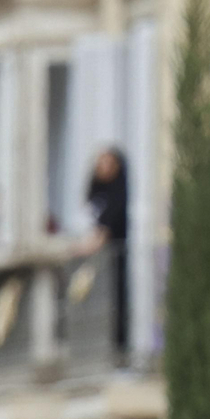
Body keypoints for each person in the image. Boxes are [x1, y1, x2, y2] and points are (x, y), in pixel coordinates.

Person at [83, 147, 129, 356]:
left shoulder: (117, 195)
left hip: (111, 260)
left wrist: (84, 248)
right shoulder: (96, 192)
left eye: (107, 162)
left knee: (114, 304)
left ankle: (116, 351)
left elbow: (104, 232)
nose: (101, 166)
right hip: (95, 261)